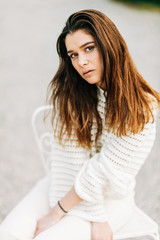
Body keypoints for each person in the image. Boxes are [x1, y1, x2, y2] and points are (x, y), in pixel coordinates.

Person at [0, 9, 159, 240]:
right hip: (65, 181)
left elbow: (101, 172)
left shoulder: (143, 109)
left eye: (89, 48)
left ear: (109, 45)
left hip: (111, 198)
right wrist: (60, 211)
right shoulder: (76, 92)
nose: (81, 62)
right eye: (73, 55)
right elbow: (69, 156)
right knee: (9, 233)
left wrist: (62, 213)